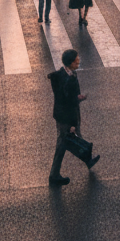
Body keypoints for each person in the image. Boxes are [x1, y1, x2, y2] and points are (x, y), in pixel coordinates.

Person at [48, 48, 99, 186]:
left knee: (76, 139)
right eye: (76, 59)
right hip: (67, 117)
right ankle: (54, 175)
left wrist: (77, 98)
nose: (79, 60)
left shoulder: (62, 74)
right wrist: (72, 123)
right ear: (70, 63)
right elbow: (68, 103)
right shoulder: (69, 80)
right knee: (63, 144)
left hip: (63, 114)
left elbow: (66, 98)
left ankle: (88, 160)